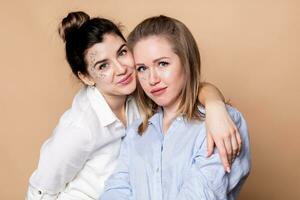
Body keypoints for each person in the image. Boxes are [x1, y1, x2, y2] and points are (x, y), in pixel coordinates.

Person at [26, 12, 243, 200]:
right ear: (86, 77)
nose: (122, 69)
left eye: (122, 53)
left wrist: (215, 104)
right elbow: (40, 190)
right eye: (103, 65)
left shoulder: (143, 97)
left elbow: (189, 86)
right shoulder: (79, 126)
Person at [101, 15, 251, 200]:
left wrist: (214, 103)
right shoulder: (136, 132)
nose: (152, 79)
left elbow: (201, 194)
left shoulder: (220, 123)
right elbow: (116, 190)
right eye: (142, 68)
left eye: (162, 64)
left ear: (186, 62)